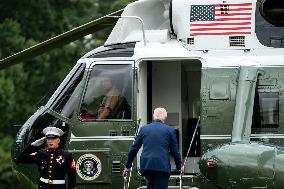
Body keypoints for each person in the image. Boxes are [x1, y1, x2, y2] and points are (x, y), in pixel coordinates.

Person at [123, 107, 184, 189]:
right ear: (165, 117)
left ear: (153, 116)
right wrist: (179, 167)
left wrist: (128, 166)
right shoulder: (170, 130)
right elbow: (175, 152)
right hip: (161, 167)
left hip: (147, 166)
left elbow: (134, 149)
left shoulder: (144, 129)